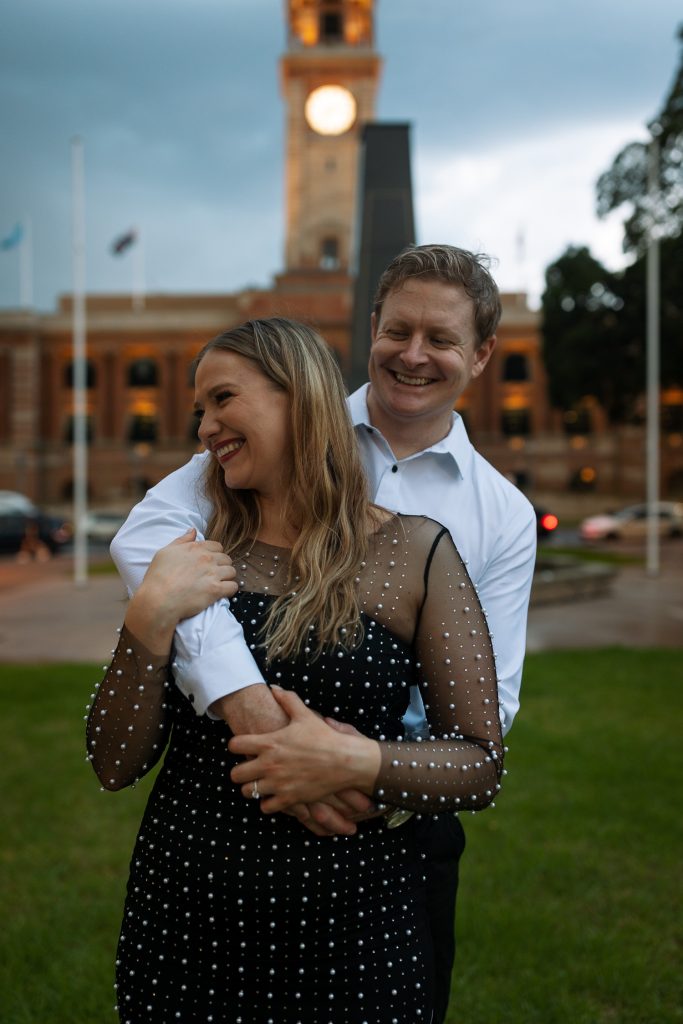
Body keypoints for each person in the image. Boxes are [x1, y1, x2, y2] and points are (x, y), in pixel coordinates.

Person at [110, 245, 537, 1022]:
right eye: (396, 330)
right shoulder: (268, 429)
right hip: (207, 855)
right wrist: (250, 706)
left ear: (479, 357)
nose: (413, 354)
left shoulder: (497, 514)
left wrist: (354, 775)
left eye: (439, 339)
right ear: (368, 328)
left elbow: (487, 714)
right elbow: (146, 541)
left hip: (387, 844)